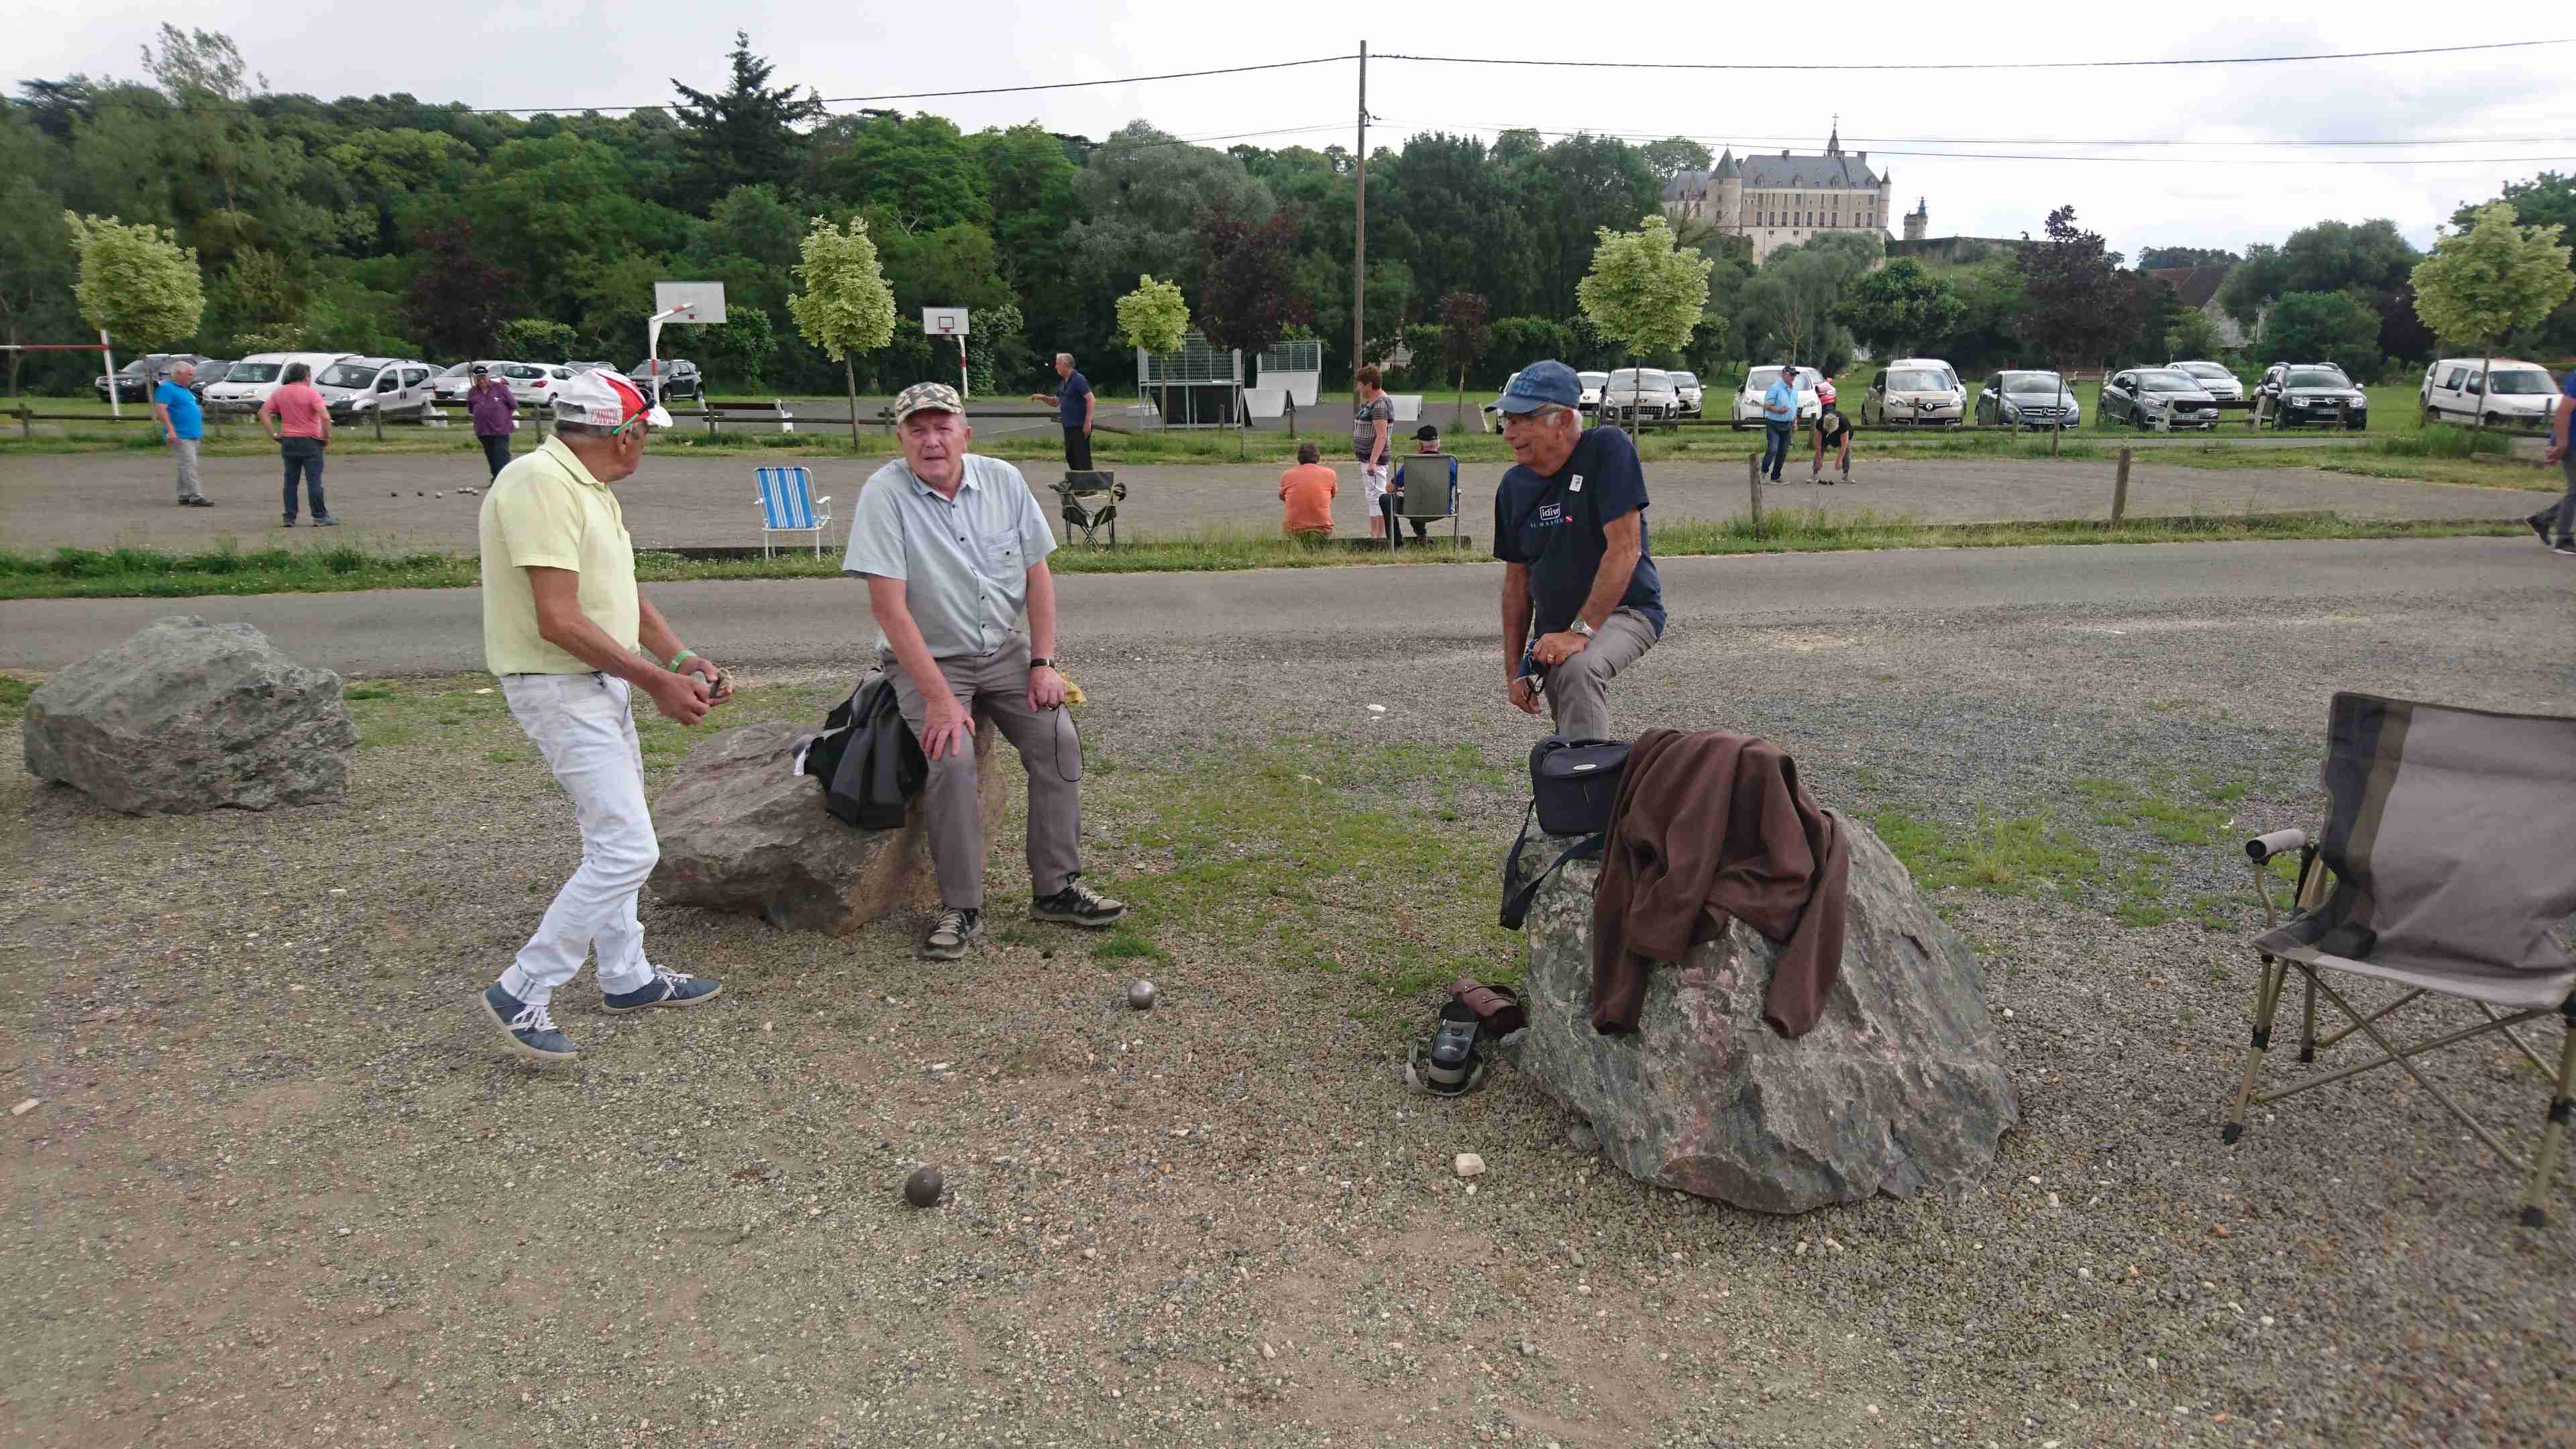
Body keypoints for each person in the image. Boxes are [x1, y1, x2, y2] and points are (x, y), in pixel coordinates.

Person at [476, 368, 727, 1064]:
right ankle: (524, 986)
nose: (645, 445)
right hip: (559, 684)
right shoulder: (539, 484)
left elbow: (620, 591)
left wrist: (680, 660)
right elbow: (557, 619)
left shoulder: (586, 487)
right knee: (627, 848)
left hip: (595, 682)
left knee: (612, 838)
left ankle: (626, 974)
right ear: (625, 434)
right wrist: (656, 682)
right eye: (645, 433)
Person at [843, 382, 1127, 961]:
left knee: (1058, 740)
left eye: (942, 428)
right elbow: (889, 609)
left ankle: (1056, 888)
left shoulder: (1004, 480)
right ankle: (962, 907)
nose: (931, 441)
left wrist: (1043, 663)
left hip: (1003, 649)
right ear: (900, 439)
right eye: (917, 430)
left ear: (965, 435)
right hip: (928, 658)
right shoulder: (883, 494)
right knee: (951, 757)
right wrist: (939, 699)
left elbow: (1037, 578)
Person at [1489, 360, 1667, 741]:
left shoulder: (1606, 449)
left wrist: (1580, 631)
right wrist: (1514, 671)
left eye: (1522, 420)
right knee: (1570, 723)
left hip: (1626, 611)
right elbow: (1516, 586)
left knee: (1579, 669)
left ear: (1565, 420)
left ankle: (1591, 778)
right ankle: (1576, 773)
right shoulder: (1512, 488)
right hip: (1555, 633)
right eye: (1506, 420)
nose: (1508, 433)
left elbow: (1626, 549)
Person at [260, 361, 335, 526]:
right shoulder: (312, 394)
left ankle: (290, 517)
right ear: (306, 377)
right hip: (310, 441)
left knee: (290, 481)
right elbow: (325, 417)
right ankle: (320, 516)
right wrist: (325, 437)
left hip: (288, 440)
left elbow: (263, 412)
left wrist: (274, 434)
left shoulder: (280, 392)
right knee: (314, 481)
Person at [1385, 424, 1458, 545]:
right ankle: (1422, 537)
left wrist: (1407, 489)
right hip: (1442, 509)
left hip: (1414, 509)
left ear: (1420, 445)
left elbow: (1389, 489)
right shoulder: (1451, 463)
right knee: (1419, 497)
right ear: (1438, 443)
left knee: (1386, 499)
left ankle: (1397, 544)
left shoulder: (1411, 464)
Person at [2531, 368, 2576, 557]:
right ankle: (2564, 540)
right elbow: (2564, 411)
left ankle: (2544, 519)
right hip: (2572, 443)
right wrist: (2561, 444)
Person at [154, 363, 209, 507]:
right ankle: (196, 496)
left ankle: (184, 495)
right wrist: (171, 430)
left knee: (184, 466)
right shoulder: (166, 389)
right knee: (189, 465)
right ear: (178, 374)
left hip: (192, 433)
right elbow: (161, 409)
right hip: (180, 435)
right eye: (189, 375)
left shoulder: (185, 390)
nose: (192, 377)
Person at [1028, 354, 1095, 472]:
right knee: (1071, 457)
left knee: (1082, 458)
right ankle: (1077, 481)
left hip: (1080, 425)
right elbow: (1056, 402)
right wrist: (1042, 397)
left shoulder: (1078, 379)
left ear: (1066, 365)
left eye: (1058, 364)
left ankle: (1088, 482)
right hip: (1068, 425)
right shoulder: (1063, 382)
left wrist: (1088, 422)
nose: (1056, 367)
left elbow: (1091, 399)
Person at [1352, 364, 1395, 539]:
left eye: (1360, 385)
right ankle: (1374, 534)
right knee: (1372, 496)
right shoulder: (1372, 402)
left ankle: (1379, 536)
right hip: (1367, 459)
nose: (1358, 389)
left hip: (1374, 461)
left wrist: (1372, 462)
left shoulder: (1380, 405)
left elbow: (1382, 435)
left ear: (1369, 385)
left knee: (1378, 496)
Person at [468, 363, 518, 481]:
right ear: (475, 379)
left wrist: (504, 418)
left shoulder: (500, 388)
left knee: (502, 455)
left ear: (488, 376)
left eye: (483, 377)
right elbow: (471, 409)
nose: (481, 380)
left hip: (501, 429)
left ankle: (505, 480)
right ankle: (496, 478)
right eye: (478, 378)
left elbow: (513, 405)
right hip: (483, 430)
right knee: (491, 456)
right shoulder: (472, 391)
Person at [1279, 440, 1338, 542]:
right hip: (1322, 528)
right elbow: (1332, 495)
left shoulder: (1287, 475)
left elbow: (1282, 497)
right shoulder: (1331, 474)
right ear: (1318, 456)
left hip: (1293, 529)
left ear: (1298, 458)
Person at [1760, 360, 1799, 484]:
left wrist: (1795, 422)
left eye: (1794, 375)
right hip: (1774, 423)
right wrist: (1779, 410)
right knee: (1773, 449)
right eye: (1791, 374)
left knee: (1783, 452)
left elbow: (1794, 407)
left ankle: (1776, 477)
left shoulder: (1795, 390)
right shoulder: (1775, 388)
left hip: (1787, 424)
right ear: (1784, 374)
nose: (1793, 377)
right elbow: (1766, 406)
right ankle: (1763, 472)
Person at [1809, 400, 1854, 485]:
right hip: (1824, 437)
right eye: (1828, 430)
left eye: (1831, 430)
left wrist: (1839, 460)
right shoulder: (1820, 423)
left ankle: (1846, 475)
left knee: (1847, 450)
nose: (1830, 432)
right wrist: (1819, 459)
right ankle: (1815, 474)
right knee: (1820, 450)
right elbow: (1818, 445)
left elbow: (1844, 446)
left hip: (1840, 437)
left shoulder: (1843, 424)